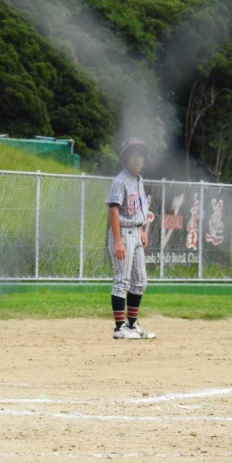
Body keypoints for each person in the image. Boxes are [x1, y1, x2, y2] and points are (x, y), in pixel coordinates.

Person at [106, 137, 156, 340]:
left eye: (140, 155)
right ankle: (119, 329)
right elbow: (114, 211)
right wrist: (118, 241)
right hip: (123, 234)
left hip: (135, 232)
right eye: (133, 155)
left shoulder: (139, 180)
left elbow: (137, 209)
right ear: (125, 158)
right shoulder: (120, 181)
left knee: (140, 281)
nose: (137, 159)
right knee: (122, 281)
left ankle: (132, 325)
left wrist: (141, 229)